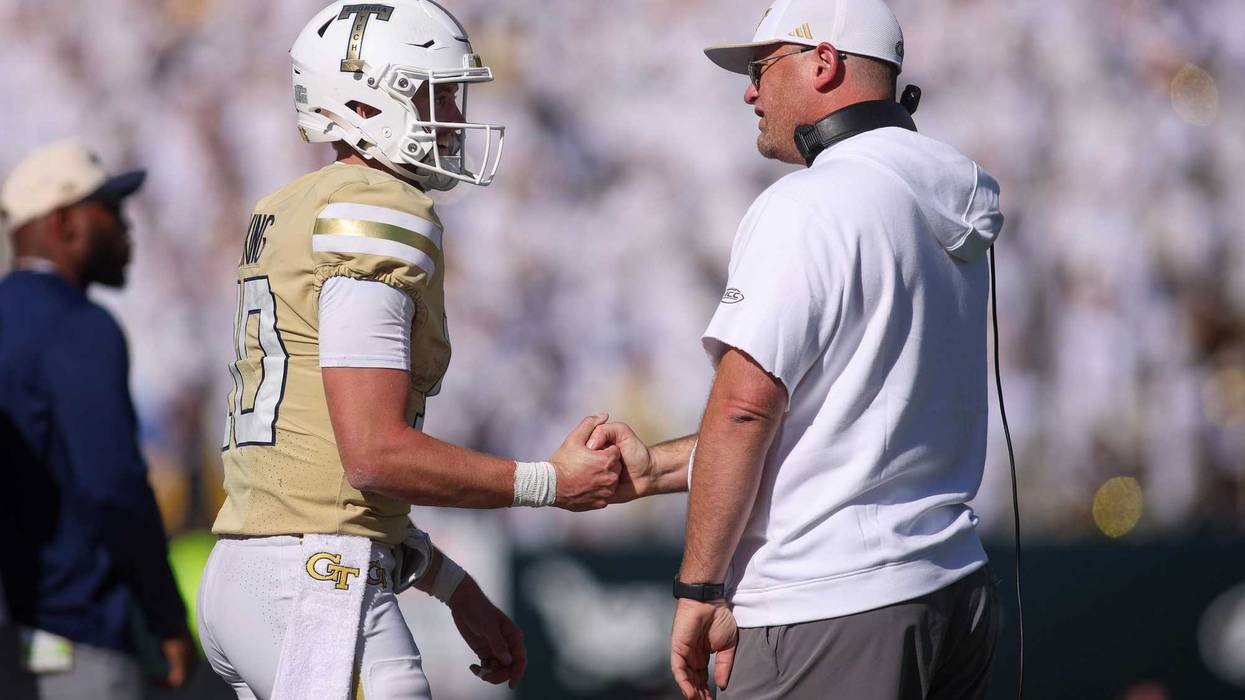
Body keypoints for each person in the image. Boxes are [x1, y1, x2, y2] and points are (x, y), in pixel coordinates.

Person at [195, 1, 622, 698]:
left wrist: (451, 585)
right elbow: (373, 453)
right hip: (314, 585)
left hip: (262, 574)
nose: (451, 118)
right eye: (434, 95)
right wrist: (551, 483)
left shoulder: (293, 205)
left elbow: (320, 467)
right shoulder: (375, 206)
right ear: (364, 102)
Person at [589, 0, 1007, 698]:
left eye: (761, 68)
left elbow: (746, 412)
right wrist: (655, 468)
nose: (749, 91)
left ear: (823, 62)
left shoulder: (810, 201)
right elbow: (830, 427)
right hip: (952, 589)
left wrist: (699, 586)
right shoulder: (946, 193)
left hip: (828, 604)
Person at [0, 139, 197, 698]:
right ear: (63, 222)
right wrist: (165, 615)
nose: (125, 227)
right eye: (109, 209)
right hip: (77, 635)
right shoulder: (78, 325)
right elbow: (112, 487)